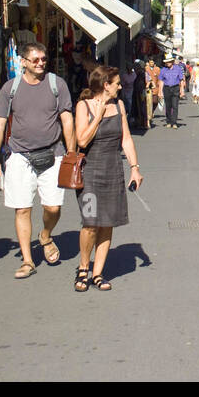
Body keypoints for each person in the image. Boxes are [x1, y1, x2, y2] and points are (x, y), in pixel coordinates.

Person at [0, 41, 76, 279]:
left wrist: (72, 153)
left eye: (43, 59)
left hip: (53, 153)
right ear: (23, 62)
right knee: (22, 209)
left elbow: (67, 119)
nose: (40, 63)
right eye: (35, 60)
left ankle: (46, 234)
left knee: (53, 207)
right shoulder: (10, 88)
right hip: (19, 156)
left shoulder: (57, 84)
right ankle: (28, 261)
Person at [73, 66, 142, 292]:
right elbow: (82, 141)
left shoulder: (119, 105)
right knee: (91, 222)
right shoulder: (83, 106)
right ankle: (84, 267)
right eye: (117, 83)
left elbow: (126, 140)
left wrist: (134, 168)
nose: (120, 87)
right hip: (90, 172)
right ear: (106, 85)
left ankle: (98, 273)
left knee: (107, 223)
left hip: (113, 170)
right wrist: (99, 115)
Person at [160, 55, 185, 128]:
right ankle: (168, 121)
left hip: (175, 88)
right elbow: (161, 81)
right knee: (168, 106)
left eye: (168, 62)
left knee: (175, 106)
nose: (167, 63)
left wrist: (182, 91)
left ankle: (174, 122)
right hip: (167, 88)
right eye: (166, 62)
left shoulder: (178, 69)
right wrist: (160, 92)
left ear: (172, 61)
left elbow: (181, 80)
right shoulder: (163, 69)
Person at [144, 58, 160, 127]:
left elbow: (159, 78)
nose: (151, 63)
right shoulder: (146, 68)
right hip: (148, 88)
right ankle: (149, 114)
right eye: (150, 62)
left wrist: (159, 87)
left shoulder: (157, 69)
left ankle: (152, 111)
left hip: (155, 87)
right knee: (148, 103)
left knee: (155, 101)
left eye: (152, 62)